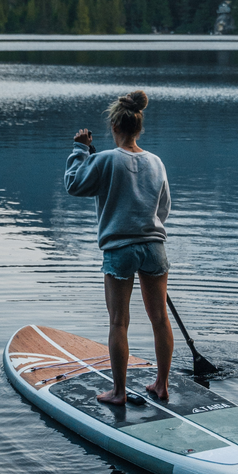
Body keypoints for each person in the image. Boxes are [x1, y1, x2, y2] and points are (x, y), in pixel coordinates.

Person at [64, 90, 174, 405]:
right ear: (138, 127)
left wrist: (80, 149)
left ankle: (119, 392)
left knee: (118, 322)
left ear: (115, 126)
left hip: (120, 249)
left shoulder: (105, 160)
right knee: (160, 318)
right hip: (154, 245)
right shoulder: (155, 162)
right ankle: (162, 385)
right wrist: (147, 226)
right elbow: (163, 208)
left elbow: (73, 184)